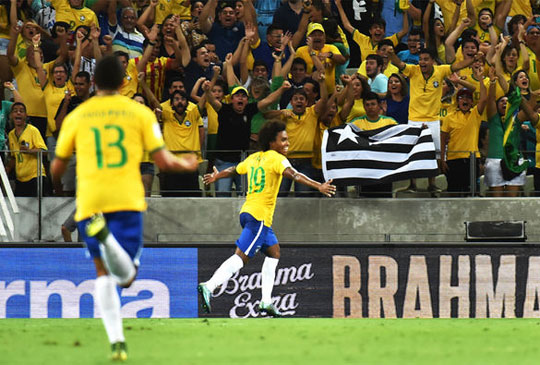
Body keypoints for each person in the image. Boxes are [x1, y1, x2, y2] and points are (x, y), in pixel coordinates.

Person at [50, 55, 198, 361]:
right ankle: (107, 240)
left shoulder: (79, 115)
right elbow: (162, 161)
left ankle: (117, 341)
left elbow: (57, 165)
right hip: (127, 199)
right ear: (123, 82)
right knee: (127, 277)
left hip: (91, 201)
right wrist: (185, 163)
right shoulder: (139, 112)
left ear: (93, 83)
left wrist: (58, 181)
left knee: (102, 273)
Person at [197, 120, 336, 316]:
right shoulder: (277, 159)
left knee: (274, 253)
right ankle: (209, 286)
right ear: (272, 142)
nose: (287, 143)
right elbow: (295, 175)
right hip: (259, 217)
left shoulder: (254, 158)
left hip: (248, 214)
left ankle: (266, 302)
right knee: (241, 258)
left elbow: (234, 169)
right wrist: (319, 186)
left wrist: (216, 177)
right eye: (284, 140)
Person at [6, 102, 48, 197]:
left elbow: (44, 152)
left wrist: (29, 151)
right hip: (20, 179)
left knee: (37, 209)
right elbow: (14, 157)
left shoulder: (33, 130)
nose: (18, 113)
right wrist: (8, 168)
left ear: (26, 115)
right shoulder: (11, 134)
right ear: (11, 115)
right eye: (15, 111)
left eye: (21, 111)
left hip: (35, 177)